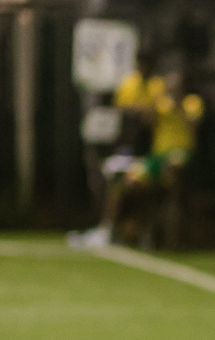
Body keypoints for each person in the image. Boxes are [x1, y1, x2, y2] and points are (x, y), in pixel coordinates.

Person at [69, 69, 204, 250]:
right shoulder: (162, 103)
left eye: (175, 86)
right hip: (157, 157)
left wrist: (177, 106)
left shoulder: (192, 103)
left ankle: (163, 234)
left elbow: (194, 127)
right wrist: (156, 101)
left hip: (180, 154)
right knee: (124, 182)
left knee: (172, 170)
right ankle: (111, 229)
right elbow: (146, 120)